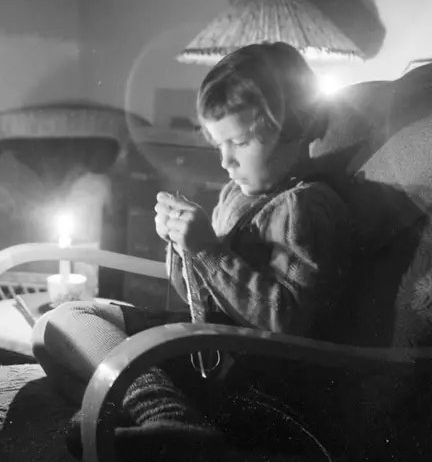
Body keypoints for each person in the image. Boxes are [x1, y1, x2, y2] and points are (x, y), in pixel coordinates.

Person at [31, 42, 355, 461]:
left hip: (250, 376)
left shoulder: (305, 206)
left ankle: (169, 420)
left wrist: (205, 250)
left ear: (297, 124)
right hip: (207, 350)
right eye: (219, 144)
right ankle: (160, 416)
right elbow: (197, 298)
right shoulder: (235, 195)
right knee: (56, 326)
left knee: (69, 340)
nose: (226, 161)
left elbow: (287, 323)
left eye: (240, 142)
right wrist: (180, 246)